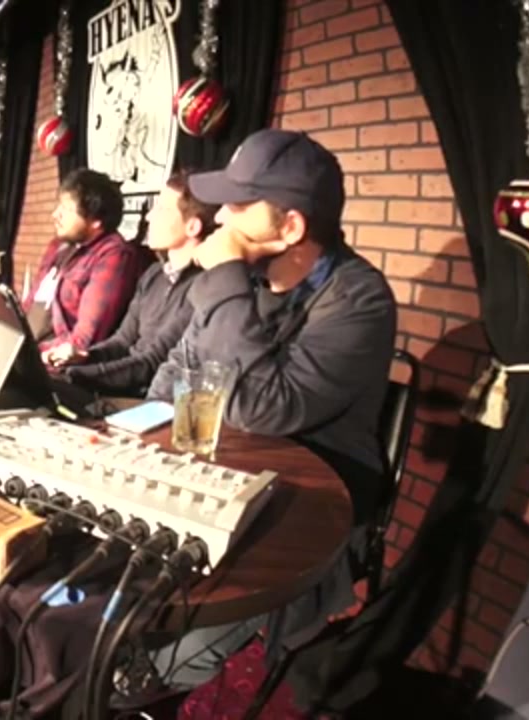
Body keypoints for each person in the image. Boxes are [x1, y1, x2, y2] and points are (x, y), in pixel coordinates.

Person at [126, 129, 398, 702]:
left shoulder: (358, 300)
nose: (222, 216)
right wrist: (133, 442)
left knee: (162, 658)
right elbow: (174, 373)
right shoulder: (242, 283)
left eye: (239, 205)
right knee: (110, 589)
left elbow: (264, 408)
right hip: (220, 473)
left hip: (310, 505)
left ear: (290, 228)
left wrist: (223, 279)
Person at [43, 171, 213, 399]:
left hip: (152, 401)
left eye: (162, 209)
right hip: (121, 389)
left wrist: (73, 376)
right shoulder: (154, 274)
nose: (149, 216)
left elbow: (151, 362)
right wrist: (83, 357)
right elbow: (122, 342)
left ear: (192, 227)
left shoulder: (204, 286)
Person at [24, 169, 145, 356]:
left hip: (53, 362)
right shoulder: (58, 246)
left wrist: (26, 353)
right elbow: (28, 306)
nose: (55, 214)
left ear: (95, 220)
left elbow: (84, 340)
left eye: (66, 210)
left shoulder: (114, 255)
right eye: (58, 206)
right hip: (25, 348)